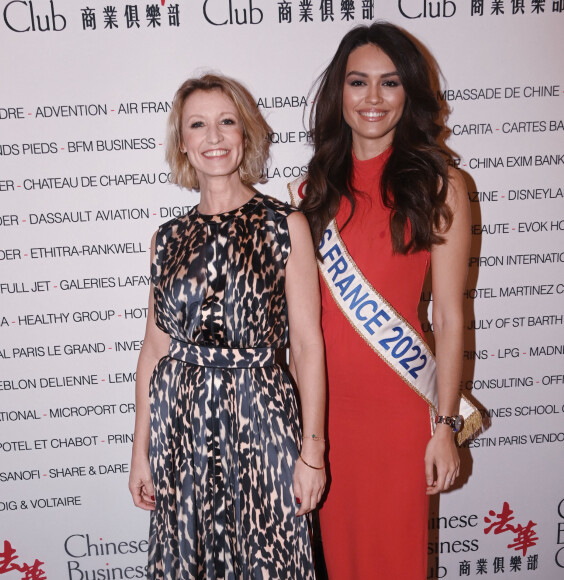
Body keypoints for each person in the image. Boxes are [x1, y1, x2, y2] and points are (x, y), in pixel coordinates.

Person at [288, 23, 481, 579]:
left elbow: (447, 315)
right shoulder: (310, 193)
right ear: (338, 93)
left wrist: (444, 425)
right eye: (358, 82)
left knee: (394, 562)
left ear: (409, 93)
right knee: (335, 560)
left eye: (390, 83)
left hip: (398, 416)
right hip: (326, 418)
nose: (372, 98)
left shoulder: (439, 183)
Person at [129, 73, 326, 579]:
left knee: (273, 561)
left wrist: (313, 453)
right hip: (184, 429)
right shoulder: (166, 239)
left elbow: (306, 346)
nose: (213, 137)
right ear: (183, 142)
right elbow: (153, 351)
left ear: (246, 134)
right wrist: (141, 453)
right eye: (198, 125)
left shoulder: (285, 225)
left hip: (263, 422)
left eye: (226, 122)